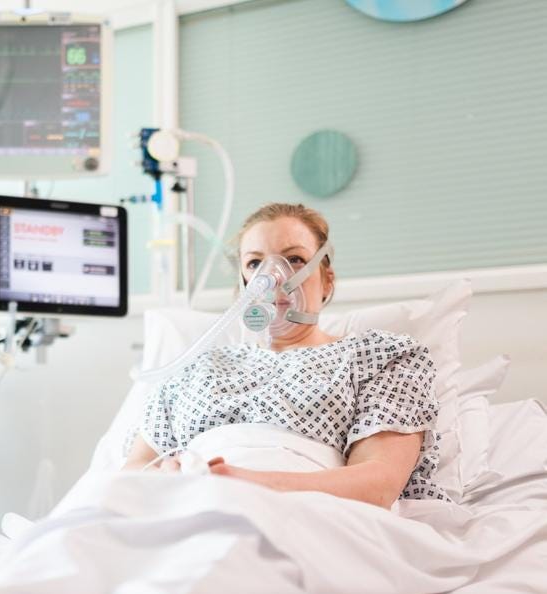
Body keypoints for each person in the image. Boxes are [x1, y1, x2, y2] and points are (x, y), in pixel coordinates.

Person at [123, 203, 446, 507]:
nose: (273, 276)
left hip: (302, 510)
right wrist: (165, 480)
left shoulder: (378, 356)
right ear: (244, 284)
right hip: (185, 499)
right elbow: (134, 466)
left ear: (326, 280)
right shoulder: (197, 365)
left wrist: (243, 484)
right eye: (254, 263)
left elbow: (379, 484)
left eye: (294, 260)